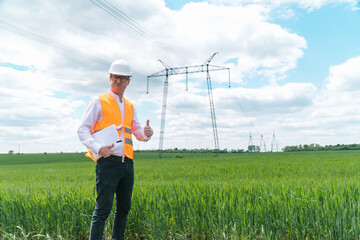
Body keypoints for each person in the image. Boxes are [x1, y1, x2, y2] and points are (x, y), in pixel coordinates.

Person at [77, 59, 153, 240]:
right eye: (114, 77)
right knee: (103, 209)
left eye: (122, 78)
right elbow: (82, 130)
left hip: (127, 164)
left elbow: (138, 133)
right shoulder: (98, 101)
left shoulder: (130, 105)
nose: (118, 81)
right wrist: (98, 148)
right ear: (109, 78)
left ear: (129, 80)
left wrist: (148, 134)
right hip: (108, 163)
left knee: (124, 208)